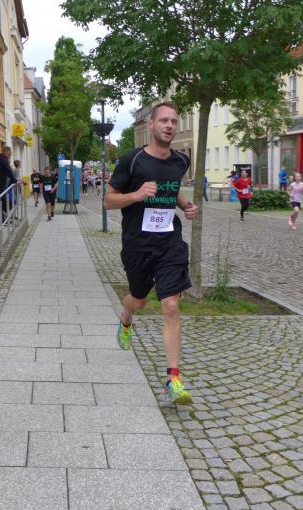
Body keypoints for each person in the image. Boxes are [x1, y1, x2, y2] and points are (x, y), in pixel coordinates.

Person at [105, 102, 198, 405]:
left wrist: (185, 206)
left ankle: (174, 379)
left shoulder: (180, 161)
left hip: (169, 242)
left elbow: (171, 188)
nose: (169, 126)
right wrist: (136, 194)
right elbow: (108, 200)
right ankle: (126, 317)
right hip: (138, 244)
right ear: (151, 125)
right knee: (139, 300)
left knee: (170, 304)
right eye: (164, 121)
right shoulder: (131, 161)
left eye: (174, 121)